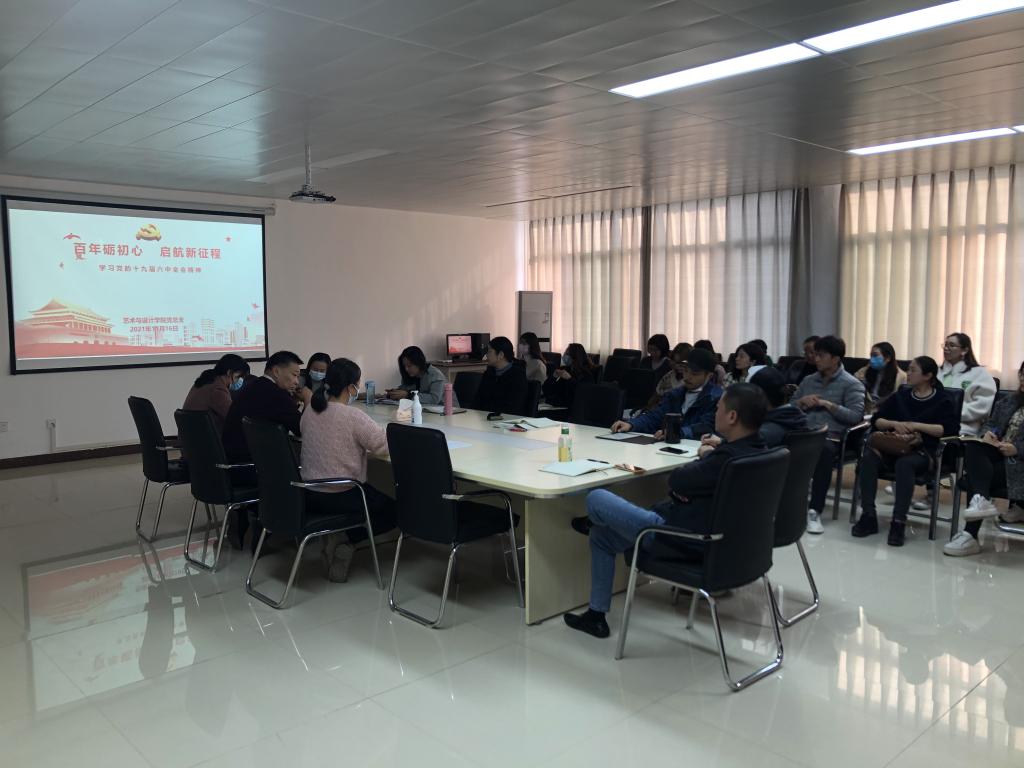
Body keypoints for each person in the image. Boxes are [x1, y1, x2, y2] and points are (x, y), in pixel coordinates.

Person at [563, 384, 769, 639]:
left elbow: (676, 481)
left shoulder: (723, 460)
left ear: (732, 416)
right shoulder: (761, 452)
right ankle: (596, 617)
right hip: (729, 548)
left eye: (719, 408)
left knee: (596, 498)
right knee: (602, 537)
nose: (715, 412)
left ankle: (596, 521)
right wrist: (719, 448)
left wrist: (705, 455)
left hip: (680, 539)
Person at [301, 358, 397, 582]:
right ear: (351, 387)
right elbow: (383, 446)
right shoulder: (353, 417)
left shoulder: (310, 411)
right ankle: (349, 540)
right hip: (342, 495)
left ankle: (339, 536)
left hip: (308, 493)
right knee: (397, 511)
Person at [851, 356, 959, 547]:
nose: (907, 373)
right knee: (868, 458)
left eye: (912, 370)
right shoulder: (901, 396)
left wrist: (915, 426)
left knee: (905, 464)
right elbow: (877, 420)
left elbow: (948, 429)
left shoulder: (942, 400)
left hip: (924, 451)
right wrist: (895, 424)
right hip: (893, 446)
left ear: (928, 375)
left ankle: (898, 521)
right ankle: (868, 515)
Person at [945, 360, 1024, 557]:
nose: (1023, 379)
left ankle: (970, 535)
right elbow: (990, 423)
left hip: (1019, 464)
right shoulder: (1009, 401)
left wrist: (1017, 449)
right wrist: (988, 434)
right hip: (997, 455)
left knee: (976, 477)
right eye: (1022, 374)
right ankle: (980, 501)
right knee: (973, 445)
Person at [793, 335, 866, 535]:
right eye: (815, 354)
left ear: (835, 359)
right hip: (803, 432)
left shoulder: (852, 384)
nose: (816, 359)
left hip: (831, 437)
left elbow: (856, 416)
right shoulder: (808, 381)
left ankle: (814, 510)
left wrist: (828, 405)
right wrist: (801, 402)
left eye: (821, 355)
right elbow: (790, 407)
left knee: (823, 450)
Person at [610, 347, 721, 440]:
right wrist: (631, 424)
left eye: (694, 374)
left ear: (709, 376)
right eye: (686, 371)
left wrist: (676, 432)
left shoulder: (716, 398)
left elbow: (706, 427)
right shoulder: (675, 394)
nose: (687, 377)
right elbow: (655, 416)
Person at [222, 350, 306, 462]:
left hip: (235, 457)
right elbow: (303, 429)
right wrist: (309, 399)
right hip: (255, 462)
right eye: (294, 375)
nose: (296, 382)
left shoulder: (254, 385)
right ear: (276, 371)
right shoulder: (277, 394)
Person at [703, 367, 808, 450]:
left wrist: (707, 452)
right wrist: (722, 441)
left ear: (758, 399)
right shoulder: (794, 417)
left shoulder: (766, 433)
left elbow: (737, 454)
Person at [939, 332, 997, 436]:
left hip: (964, 428)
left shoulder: (980, 373)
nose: (946, 348)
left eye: (951, 345)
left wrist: (949, 414)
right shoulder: (936, 372)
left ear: (964, 350)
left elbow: (983, 407)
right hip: (932, 423)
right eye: (945, 345)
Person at [182, 353, 250, 434]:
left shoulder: (206, 380)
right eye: (238, 377)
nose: (238, 381)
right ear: (229, 372)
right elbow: (233, 417)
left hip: (191, 436)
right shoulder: (217, 389)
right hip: (205, 437)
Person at [474, 336, 528, 414]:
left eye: (489, 351)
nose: (486, 355)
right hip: (485, 416)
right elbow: (478, 399)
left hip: (506, 418)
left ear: (501, 355)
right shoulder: (489, 373)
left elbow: (513, 407)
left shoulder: (517, 376)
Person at [386, 346, 455, 406]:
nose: (406, 369)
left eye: (409, 366)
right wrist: (393, 393)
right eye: (404, 366)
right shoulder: (410, 375)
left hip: (448, 411)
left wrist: (408, 395)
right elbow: (404, 389)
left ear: (419, 363)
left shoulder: (436, 375)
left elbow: (434, 399)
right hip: (424, 411)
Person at [854, 342, 906, 412]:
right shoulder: (865, 371)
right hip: (864, 411)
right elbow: (853, 383)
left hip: (885, 413)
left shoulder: (901, 377)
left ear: (888, 358)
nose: (872, 359)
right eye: (871, 355)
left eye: (875, 355)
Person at [542, 343, 595, 409]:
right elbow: (546, 390)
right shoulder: (565, 369)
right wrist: (553, 377)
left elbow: (582, 394)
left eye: (567, 354)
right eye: (565, 353)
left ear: (575, 357)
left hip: (571, 408)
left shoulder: (586, 375)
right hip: (555, 405)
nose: (564, 356)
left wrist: (570, 379)